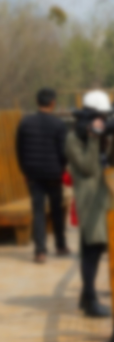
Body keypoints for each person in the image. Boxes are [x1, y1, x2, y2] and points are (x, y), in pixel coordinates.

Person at [66, 90, 114, 317]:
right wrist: (92, 137)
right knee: (92, 249)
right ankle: (90, 301)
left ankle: (85, 297)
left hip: (101, 198)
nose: (103, 121)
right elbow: (88, 169)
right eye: (100, 117)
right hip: (88, 199)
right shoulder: (73, 138)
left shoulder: (98, 135)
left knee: (93, 248)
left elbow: (111, 164)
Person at [16, 88, 69, 264]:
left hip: (33, 175)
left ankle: (40, 252)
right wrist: (61, 170)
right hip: (54, 174)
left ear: (37, 102)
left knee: (38, 212)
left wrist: (25, 171)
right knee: (56, 210)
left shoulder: (25, 123)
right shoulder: (59, 125)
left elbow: (19, 150)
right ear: (52, 102)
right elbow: (63, 153)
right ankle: (60, 246)